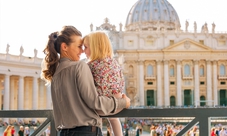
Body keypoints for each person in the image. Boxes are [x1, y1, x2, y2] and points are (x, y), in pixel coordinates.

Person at [41, 25, 130, 136]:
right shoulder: (80, 66)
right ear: (64, 47)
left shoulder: (55, 74)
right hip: (86, 131)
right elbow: (95, 102)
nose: (82, 51)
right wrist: (123, 102)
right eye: (79, 46)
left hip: (63, 132)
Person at [83, 31, 125, 136]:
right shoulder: (115, 63)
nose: (84, 51)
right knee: (114, 119)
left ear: (94, 47)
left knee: (92, 113)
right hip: (118, 105)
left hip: (102, 107)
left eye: (85, 47)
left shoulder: (90, 65)